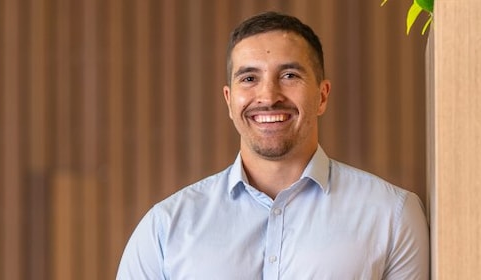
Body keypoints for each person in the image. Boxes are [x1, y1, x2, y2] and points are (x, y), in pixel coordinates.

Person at [117, 11, 430, 279]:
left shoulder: (392, 216)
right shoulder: (164, 228)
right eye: (249, 79)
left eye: (289, 75)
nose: (268, 96)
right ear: (229, 100)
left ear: (322, 96)